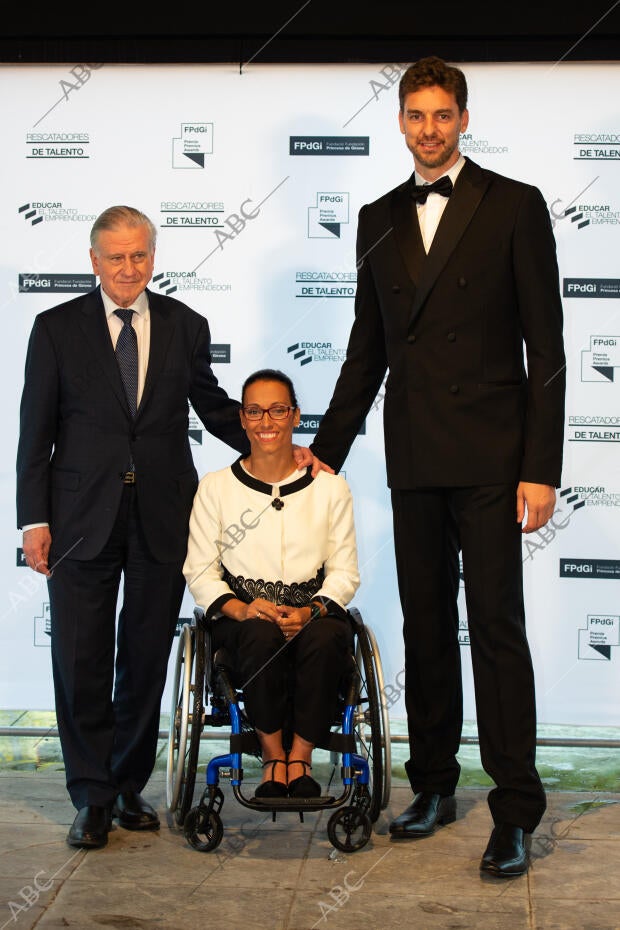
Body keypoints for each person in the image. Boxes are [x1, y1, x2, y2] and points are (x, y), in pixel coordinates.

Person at [309, 56, 566, 876]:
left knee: (496, 630)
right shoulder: (378, 215)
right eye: (415, 115)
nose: (429, 129)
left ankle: (515, 808)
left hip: (495, 458)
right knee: (425, 629)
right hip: (415, 453)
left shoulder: (516, 205)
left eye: (441, 114)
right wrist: (327, 453)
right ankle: (431, 784)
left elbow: (548, 348)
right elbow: (366, 350)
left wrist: (541, 466)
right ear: (400, 122)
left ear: (463, 118)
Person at [15, 206, 312, 849]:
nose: (129, 269)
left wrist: (279, 443)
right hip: (75, 523)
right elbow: (34, 434)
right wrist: (32, 520)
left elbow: (212, 408)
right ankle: (90, 795)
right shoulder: (55, 328)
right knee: (81, 658)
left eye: (140, 256)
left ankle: (126, 788)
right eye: (116, 258)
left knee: (146, 659)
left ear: (154, 257)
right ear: (94, 261)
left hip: (162, 518)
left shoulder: (185, 325)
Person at [183, 368, 360, 798]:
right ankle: (272, 757)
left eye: (278, 410)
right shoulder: (216, 488)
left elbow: (345, 573)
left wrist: (309, 611)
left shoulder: (330, 487)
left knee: (324, 638)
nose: (267, 422)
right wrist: (241, 608)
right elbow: (200, 571)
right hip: (241, 613)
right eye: (255, 412)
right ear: (241, 419)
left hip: (312, 608)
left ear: (296, 416)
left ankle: (300, 757)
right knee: (259, 633)